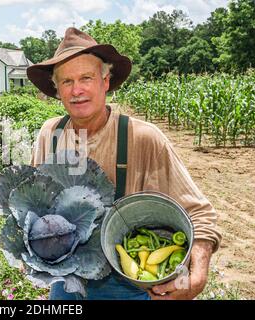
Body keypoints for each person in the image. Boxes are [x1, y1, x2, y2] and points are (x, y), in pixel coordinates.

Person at [26, 27, 222, 300]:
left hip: (128, 285)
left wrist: (197, 276)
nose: (77, 90)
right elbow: (35, 207)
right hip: (67, 283)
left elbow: (199, 214)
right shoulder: (51, 134)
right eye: (67, 81)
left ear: (106, 81)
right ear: (56, 89)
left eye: (86, 77)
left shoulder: (142, 138)